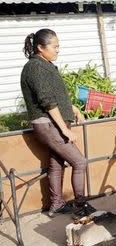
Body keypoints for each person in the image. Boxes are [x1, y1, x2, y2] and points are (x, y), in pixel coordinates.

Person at [20, 28, 96, 218]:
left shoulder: (45, 65)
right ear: (40, 47)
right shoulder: (35, 68)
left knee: (56, 165)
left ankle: (57, 204)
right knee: (80, 162)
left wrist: (73, 108)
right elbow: (47, 101)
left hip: (51, 123)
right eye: (55, 47)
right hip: (48, 125)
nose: (57, 50)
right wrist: (65, 130)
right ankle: (80, 205)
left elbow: (55, 97)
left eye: (58, 47)